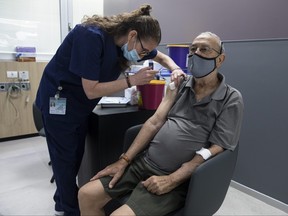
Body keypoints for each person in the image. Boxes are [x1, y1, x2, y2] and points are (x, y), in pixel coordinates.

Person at [35, 4, 185, 216]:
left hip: (79, 106)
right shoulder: (90, 36)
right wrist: (132, 80)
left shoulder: (128, 43)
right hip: (59, 102)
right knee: (65, 161)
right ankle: (69, 210)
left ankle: (62, 201)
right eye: (142, 50)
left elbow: (160, 56)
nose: (143, 55)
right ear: (132, 35)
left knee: (74, 156)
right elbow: (91, 90)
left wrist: (176, 68)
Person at [77, 31, 244, 216]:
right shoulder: (179, 85)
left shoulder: (231, 98)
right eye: (193, 49)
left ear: (220, 60)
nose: (196, 54)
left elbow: (218, 147)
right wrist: (124, 160)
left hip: (177, 177)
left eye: (204, 50)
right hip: (144, 162)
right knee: (85, 194)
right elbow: (155, 122)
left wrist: (173, 179)